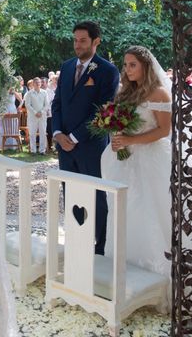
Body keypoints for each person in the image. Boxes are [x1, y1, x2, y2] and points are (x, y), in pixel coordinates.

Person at [101, 46, 192, 314]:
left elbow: (164, 129)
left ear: (145, 66)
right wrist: (117, 135)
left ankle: (164, 281)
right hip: (128, 163)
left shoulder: (159, 92)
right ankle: (130, 278)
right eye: (125, 65)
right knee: (128, 212)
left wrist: (131, 139)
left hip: (152, 161)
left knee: (158, 214)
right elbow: (120, 121)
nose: (127, 69)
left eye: (132, 65)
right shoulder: (126, 91)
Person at [51, 21, 120, 255]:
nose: (77, 45)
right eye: (75, 40)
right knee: (70, 193)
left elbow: (102, 110)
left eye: (82, 40)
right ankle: (77, 240)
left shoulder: (108, 71)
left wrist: (74, 136)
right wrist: (58, 133)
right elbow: (58, 103)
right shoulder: (67, 67)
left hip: (91, 146)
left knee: (97, 196)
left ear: (96, 41)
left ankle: (100, 246)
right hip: (64, 147)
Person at [24, 77, 49, 154]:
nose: (38, 84)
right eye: (36, 83)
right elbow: (27, 105)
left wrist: (41, 112)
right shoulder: (29, 93)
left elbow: (47, 104)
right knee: (32, 134)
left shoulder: (44, 92)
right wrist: (35, 112)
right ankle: (33, 150)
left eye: (39, 82)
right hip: (32, 116)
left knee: (43, 133)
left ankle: (42, 150)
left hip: (42, 116)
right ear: (33, 84)